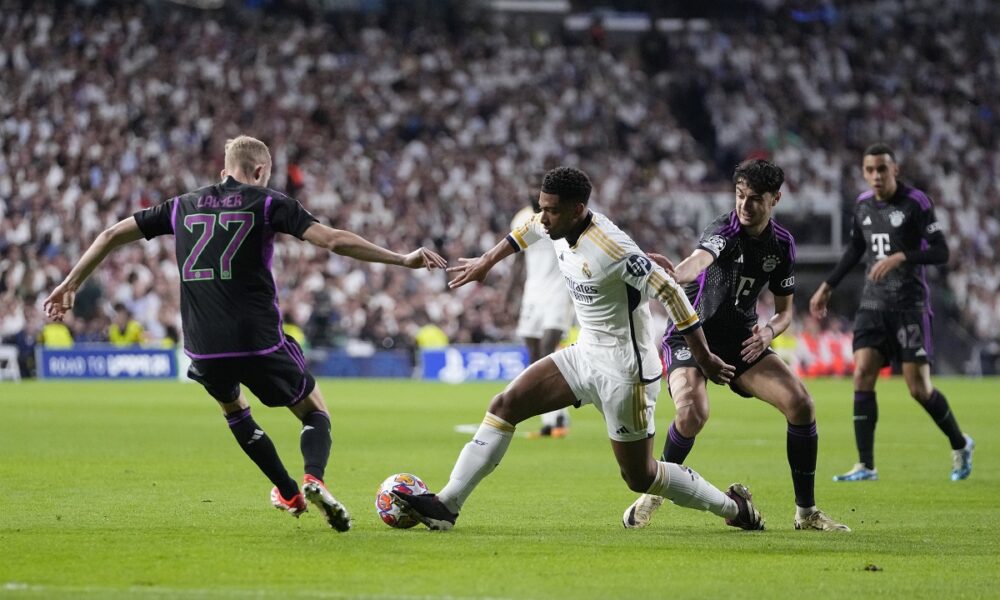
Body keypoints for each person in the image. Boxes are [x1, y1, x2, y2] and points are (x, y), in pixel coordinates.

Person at [44, 135, 447, 531]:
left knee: (234, 409)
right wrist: (401, 259)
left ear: (224, 171)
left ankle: (288, 493)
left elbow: (110, 235)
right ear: (259, 171)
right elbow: (334, 241)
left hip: (203, 345)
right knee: (314, 411)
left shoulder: (180, 205)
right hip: (257, 339)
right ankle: (314, 479)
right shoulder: (268, 202)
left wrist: (70, 283)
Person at [392, 166, 764, 532]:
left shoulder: (613, 248)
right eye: (542, 207)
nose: (544, 218)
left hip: (626, 373)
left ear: (578, 210)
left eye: (552, 211)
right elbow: (526, 229)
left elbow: (671, 292)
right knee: (505, 405)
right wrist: (486, 261)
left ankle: (735, 507)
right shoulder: (552, 223)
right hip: (585, 354)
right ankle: (447, 504)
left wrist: (704, 357)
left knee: (640, 476)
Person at [622, 159, 849, 532]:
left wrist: (769, 332)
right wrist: (675, 273)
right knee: (692, 413)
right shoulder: (723, 230)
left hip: (742, 342)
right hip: (692, 334)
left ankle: (806, 513)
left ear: (775, 199)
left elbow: (785, 312)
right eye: (740, 195)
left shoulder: (782, 245)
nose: (744, 205)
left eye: (755, 198)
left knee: (801, 405)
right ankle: (654, 492)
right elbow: (698, 261)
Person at [809, 143, 974, 482]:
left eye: (882, 169)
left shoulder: (916, 203)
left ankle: (960, 443)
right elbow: (856, 248)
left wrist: (902, 257)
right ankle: (865, 465)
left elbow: (941, 252)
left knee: (918, 389)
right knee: (862, 374)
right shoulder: (862, 205)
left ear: (894, 169)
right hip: (873, 305)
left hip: (909, 305)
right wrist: (828, 285)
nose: (876, 176)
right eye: (869, 170)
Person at [510, 199, 575, 438]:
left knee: (548, 350)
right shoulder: (521, 219)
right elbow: (518, 257)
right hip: (532, 293)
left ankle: (559, 414)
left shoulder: (563, 216)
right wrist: (509, 293)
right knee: (534, 356)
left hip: (559, 292)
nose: (531, 191)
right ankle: (549, 418)